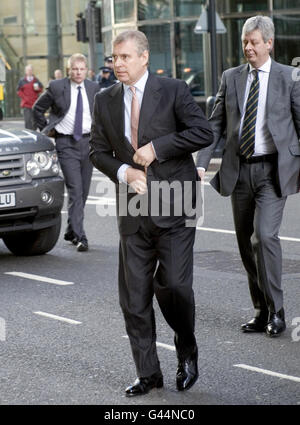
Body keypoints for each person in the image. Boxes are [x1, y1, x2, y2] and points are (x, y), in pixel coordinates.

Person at [90, 30, 213, 396]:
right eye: (114, 58)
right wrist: (124, 172)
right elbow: (97, 151)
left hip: (176, 204)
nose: (117, 64)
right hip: (132, 207)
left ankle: (186, 348)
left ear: (145, 58)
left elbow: (203, 132)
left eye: (125, 57)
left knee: (174, 285)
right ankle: (149, 373)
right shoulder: (105, 99)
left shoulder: (173, 90)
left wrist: (157, 148)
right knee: (134, 296)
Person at [196, 16, 300, 337]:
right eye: (244, 42)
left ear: (269, 43)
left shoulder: (289, 77)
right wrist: (201, 162)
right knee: (245, 245)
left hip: (272, 171)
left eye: (254, 42)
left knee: (264, 236)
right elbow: (215, 125)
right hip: (239, 170)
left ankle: (278, 310)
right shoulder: (231, 77)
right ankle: (261, 310)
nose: (248, 48)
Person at [33, 53, 99, 252]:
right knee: (75, 190)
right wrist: (47, 129)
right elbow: (38, 108)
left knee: (84, 191)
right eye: (74, 69)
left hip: (88, 143)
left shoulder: (94, 88)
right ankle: (80, 236)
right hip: (66, 144)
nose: (78, 73)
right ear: (69, 70)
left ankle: (71, 229)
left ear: (86, 70)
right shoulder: (56, 87)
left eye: (81, 69)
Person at [17, 64, 43, 130]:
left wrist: (38, 89)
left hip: (35, 104)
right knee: (28, 120)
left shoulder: (36, 80)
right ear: (26, 72)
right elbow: (18, 91)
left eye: (31, 70)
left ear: (32, 71)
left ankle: (34, 134)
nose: (29, 71)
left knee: (34, 121)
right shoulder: (22, 81)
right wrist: (25, 98)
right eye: (28, 70)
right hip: (26, 104)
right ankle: (28, 134)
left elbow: (41, 89)